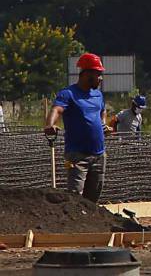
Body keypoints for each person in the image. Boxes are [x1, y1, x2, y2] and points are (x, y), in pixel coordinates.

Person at [44, 53, 111, 202]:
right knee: (75, 198)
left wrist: (103, 124)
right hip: (77, 155)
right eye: (98, 74)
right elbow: (57, 109)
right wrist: (50, 124)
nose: (100, 78)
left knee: (93, 199)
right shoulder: (68, 94)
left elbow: (102, 110)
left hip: (99, 155)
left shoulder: (98, 95)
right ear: (87, 74)